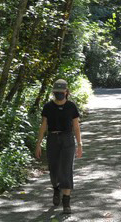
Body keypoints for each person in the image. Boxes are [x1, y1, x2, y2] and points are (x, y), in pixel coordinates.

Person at [35, 79, 83, 214]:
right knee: (54, 170)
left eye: (61, 92)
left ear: (66, 92)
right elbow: (43, 125)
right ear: (53, 93)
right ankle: (56, 189)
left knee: (67, 169)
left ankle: (66, 202)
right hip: (52, 139)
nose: (59, 94)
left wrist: (80, 144)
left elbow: (76, 126)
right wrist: (38, 143)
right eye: (56, 92)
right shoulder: (48, 107)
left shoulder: (71, 106)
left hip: (68, 139)